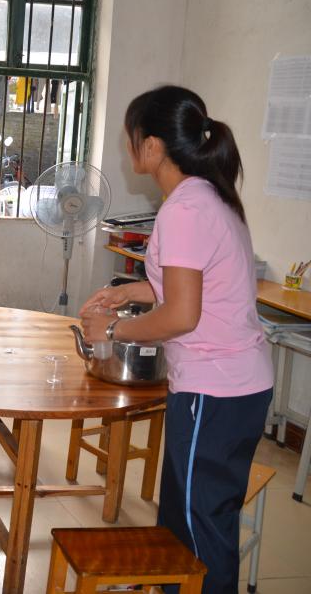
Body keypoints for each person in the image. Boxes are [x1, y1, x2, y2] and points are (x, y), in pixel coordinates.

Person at [79, 85, 273, 594]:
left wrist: (113, 329)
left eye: (132, 136)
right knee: (182, 517)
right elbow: (191, 282)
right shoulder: (208, 196)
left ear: (152, 146)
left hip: (216, 390)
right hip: (233, 386)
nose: (128, 145)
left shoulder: (184, 210)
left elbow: (183, 314)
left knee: (200, 530)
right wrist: (130, 292)